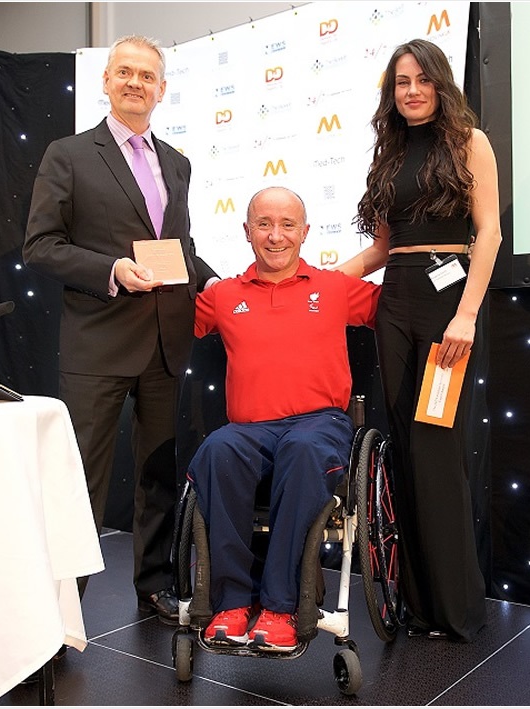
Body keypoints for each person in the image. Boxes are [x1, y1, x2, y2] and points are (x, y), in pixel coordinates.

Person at [23, 35, 218, 624]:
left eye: (147, 76)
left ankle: (154, 585)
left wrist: (221, 286)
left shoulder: (177, 162)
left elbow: (179, 248)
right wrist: (110, 269)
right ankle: (60, 610)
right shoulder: (68, 154)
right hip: (99, 345)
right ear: (106, 80)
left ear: (162, 89)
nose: (136, 83)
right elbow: (41, 245)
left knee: (158, 473)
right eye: (125, 72)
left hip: (165, 343)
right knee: (81, 480)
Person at [336, 39, 502, 643]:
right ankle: (418, 604)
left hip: (446, 304)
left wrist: (466, 315)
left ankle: (455, 609)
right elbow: (383, 249)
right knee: (404, 448)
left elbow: (489, 232)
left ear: (440, 82)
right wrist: (321, 282)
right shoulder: (390, 153)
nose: (411, 90)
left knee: (435, 445)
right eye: (401, 82)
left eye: (421, 79)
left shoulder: (469, 142)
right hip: (397, 302)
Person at [186, 186, 380, 651]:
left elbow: (401, 311)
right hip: (248, 430)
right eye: (264, 224)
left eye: (287, 225)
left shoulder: (333, 287)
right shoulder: (223, 295)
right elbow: (164, 324)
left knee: (302, 448)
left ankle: (280, 605)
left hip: (318, 424)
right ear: (247, 231)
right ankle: (232, 602)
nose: (276, 236)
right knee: (215, 449)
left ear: (305, 232)